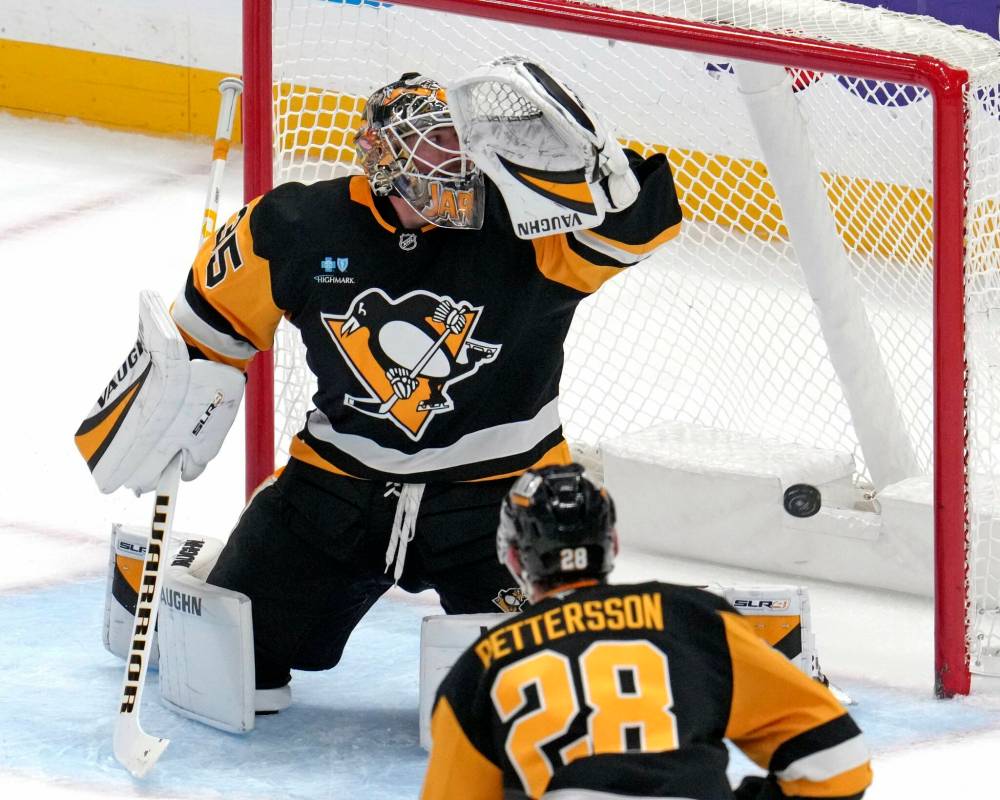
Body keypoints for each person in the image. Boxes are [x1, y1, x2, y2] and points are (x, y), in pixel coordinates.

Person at [165, 62, 683, 706]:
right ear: (381, 153)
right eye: (436, 139)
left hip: (501, 495)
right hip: (337, 487)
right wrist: (178, 399)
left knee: (541, 692)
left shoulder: (530, 225)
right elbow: (206, 330)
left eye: (462, 138)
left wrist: (602, 170)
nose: (456, 155)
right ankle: (196, 570)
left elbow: (644, 225)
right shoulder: (297, 226)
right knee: (236, 665)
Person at [420, 464, 872, 800]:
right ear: (613, 544)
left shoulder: (482, 665)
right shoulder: (696, 622)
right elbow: (838, 762)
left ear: (513, 558)